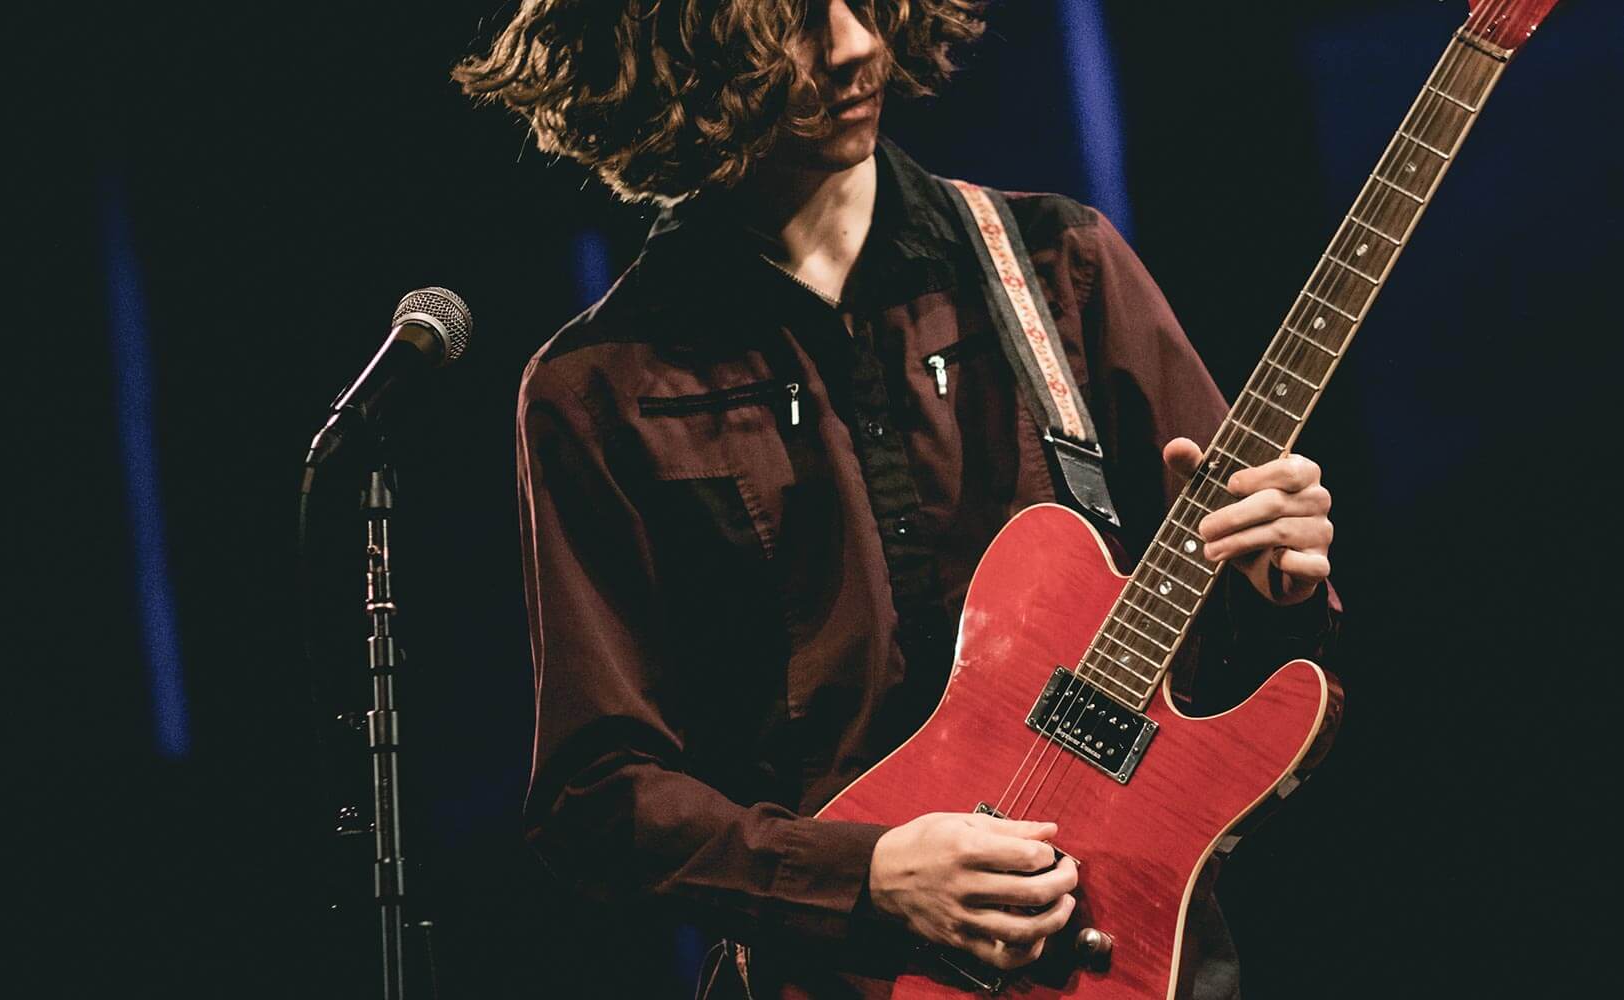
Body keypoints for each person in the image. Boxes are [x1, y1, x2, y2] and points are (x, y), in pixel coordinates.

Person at [458, 2, 1341, 996]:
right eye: (787, 23)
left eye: (864, 4)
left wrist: (1275, 586)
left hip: (1129, 961)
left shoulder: (1063, 264)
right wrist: (866, 876)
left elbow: (1243, 698)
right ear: (676, 50)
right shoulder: (599, 386)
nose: (852, 46)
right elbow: (595, 798)